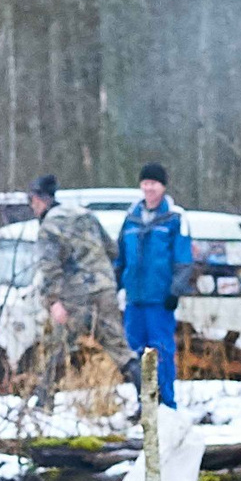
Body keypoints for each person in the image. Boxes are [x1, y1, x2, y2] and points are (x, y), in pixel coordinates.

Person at [29, 173, 131, 407]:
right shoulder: (86, 215)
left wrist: (54, 301)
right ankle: (148, 402)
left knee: (58, 346)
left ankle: (43, 404)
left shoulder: (49, 227)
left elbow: (49, 268)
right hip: (105, 288)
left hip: (74, 296)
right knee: (119, 347)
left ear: (37, 200)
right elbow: (112, 250)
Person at [114, 162, 192, 410]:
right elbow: (120, 258)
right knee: (135, 351)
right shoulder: (131, 219)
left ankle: (167, 403)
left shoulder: (175, 219)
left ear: (163, 187)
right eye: (145, 183)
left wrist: (175, 291)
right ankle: (145, 402)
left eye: (154, 183)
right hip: (134, 299)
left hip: (159, 299)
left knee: (161, 351)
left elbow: (184, 261)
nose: (149, 188)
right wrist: (116, 285)